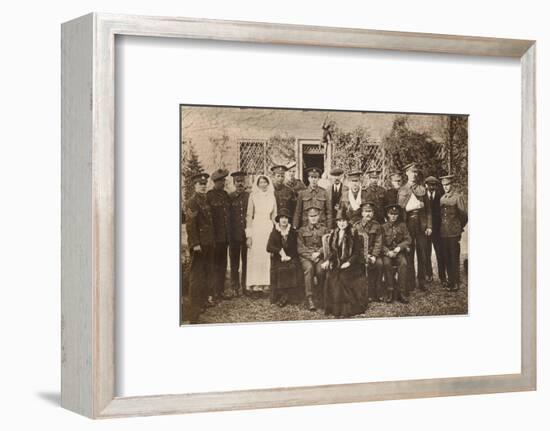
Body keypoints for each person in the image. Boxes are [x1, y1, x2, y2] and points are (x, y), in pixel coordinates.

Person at [323, 208, 367, 318]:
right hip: (338, 262)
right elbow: (333, 252)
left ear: (347, 222)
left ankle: (346, 309)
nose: (341, 223)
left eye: (344, 221)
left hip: (353, 263)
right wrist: (328, 260)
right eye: (339, 221)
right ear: (337, 222)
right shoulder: (334, 233)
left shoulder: (353, 232)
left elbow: (357, 252)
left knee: (343, 277)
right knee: (332, 276)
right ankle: (335, 307)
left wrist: (349, 262)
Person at [185, 173, 215, 323]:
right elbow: (191, 226)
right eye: (200, 184)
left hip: (208, 243)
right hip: (199, 245)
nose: (203, 186)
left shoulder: (205, 200)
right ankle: (194, 307)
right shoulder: (192, 202)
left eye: (204, 184)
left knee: (206, 273)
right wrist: (195, 243)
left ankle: (202, 301)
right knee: (196, 277)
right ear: (194, 186)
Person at [397, 162, 432, 292]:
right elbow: (400, 211)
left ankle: (422, 281)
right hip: (408, 225)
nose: (414, 175)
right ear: (407, 173)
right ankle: (410, 282)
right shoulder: (402, 190)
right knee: (408, 253)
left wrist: (429, 226)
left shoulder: (423, 189)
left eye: (416, 172)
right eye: (412, 172)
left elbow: (428, 210)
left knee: (422, 254)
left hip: (421, 225)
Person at [245, 175, 277, 295]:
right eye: (261, 182)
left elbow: (274, 215)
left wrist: (277, 230)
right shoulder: (253, 196)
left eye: (265, 182)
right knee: (256, 255)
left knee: (266, 255)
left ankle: (266, 283)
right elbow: (249, 215)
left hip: (268, 227)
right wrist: (249, 234)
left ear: (268, 184)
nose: (263, 184)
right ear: (257, 184)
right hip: (257, 227)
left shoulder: (272, 197)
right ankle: (255, 284)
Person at [266, 208, 301, 307]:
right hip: (278, 258)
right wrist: (280, 251)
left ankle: (289, 295)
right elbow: (269, 247)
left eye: (286, 218)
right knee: (281, 268)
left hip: (291, 257)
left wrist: (289, 257)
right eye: (282, 218)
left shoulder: (292, 232)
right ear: (279, 220)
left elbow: (296, 247)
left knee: (293, 267)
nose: (284, 220)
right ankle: (283, 295)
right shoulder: (275, 231)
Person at [297, 206, 329, 311]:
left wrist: (319, 253)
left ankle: (321, 295)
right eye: (311, 216)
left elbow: (327, 244)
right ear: (307, 217)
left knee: (321, 270)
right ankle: (310, 298)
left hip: (320, 256)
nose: (313, 218)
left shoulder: (324, 229)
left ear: (319, 216)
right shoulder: (302, 230)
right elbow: (300, 248)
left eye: (315, 216)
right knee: (309, 269)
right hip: (306, 257)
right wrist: (311, 255)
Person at [439, 175, 468, 291]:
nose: (446, 187)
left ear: (452, 185)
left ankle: (455, 282)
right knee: (446, 257)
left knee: (454, 257)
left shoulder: (458, 197)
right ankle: (450, 281)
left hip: (454, 232)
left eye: (447, 185)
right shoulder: (442, 199)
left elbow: (464, 215)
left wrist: (458, 227)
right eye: (444, 185)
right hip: (444, 232)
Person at [206, 169, 231, 301]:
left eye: (223, 180)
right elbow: (208, 219)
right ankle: (213, 292)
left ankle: (221, 291)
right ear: (215, 182)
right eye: (221, 181)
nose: (223, 183)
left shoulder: (225, 195)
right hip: (215, 238)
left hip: (225, 237)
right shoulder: (209, 196)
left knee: (222, 264)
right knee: (214, 265)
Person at [353, 202, 384, 302]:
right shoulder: (356, 226)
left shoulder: (377, 226)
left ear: (373, 213)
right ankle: (364, 293)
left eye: (370, 212)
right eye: (366, 212)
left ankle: (378, 292)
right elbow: (355, 244)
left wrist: (374, 255)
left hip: (373, 254)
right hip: (360, 254)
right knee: (359, 267)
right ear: (362, 213)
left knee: (379, 264)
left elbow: (378, 242)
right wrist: (364, 255)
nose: (368, 214)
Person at [381, 204, 412, 303]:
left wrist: (399, 248)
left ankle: (401, 292)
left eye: (396, 214)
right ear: (387, 215)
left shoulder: (402, 225)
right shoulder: (383, 227)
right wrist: (387, 252)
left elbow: (408, 239)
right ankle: (390, 291)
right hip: (388, 253)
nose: (393, 216)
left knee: (403, 263)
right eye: (391, 214)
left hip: (398, 252)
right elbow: (379, 243)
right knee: (386, 264)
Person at [228, 171, 249, 297]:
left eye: (242, 181)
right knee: (234, 261)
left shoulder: (249, 196)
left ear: (244, 182)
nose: (240, 184)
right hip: (233, 235)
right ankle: (235, 287)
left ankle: (245, 286)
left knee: (246, 261)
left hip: (246, 234)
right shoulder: (230, 197)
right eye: (237, 181)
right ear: (234, 183)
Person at [424, 176, 446, 285]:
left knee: (440, 253)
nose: (431, 187)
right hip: (426, 230)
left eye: (434, 185)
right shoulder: (422, 196)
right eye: (429, 185)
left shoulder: (441, 195)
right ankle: (428, 275)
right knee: (426, 253)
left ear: (436, 186)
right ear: (426, 185)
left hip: (438, 230)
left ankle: (443, 277)